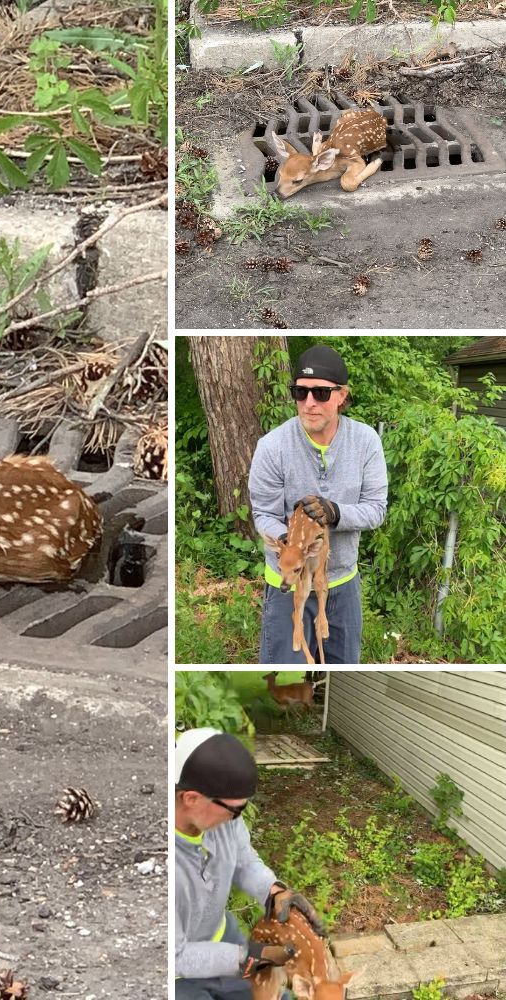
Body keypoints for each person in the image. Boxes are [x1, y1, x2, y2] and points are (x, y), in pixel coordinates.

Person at [249, 344, 388, 665]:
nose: (309, 403)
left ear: (342, 395)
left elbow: (376, 509)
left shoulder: (366, 442)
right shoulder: (272, 447)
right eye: (300, 392)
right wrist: (290, 545)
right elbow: (264, 513)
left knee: (342, 672)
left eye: (321, 394)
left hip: (342, 585)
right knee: (287, 671)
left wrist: (336, 513)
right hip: (288, 587)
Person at [174, 727, 325, 1000]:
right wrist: (251, 955)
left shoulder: (222, 817)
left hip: (224, 939)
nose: (237, 818)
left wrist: (274, 892)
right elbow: (178, 955)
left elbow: (244, 860)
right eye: (236, 810)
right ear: (191, 798)